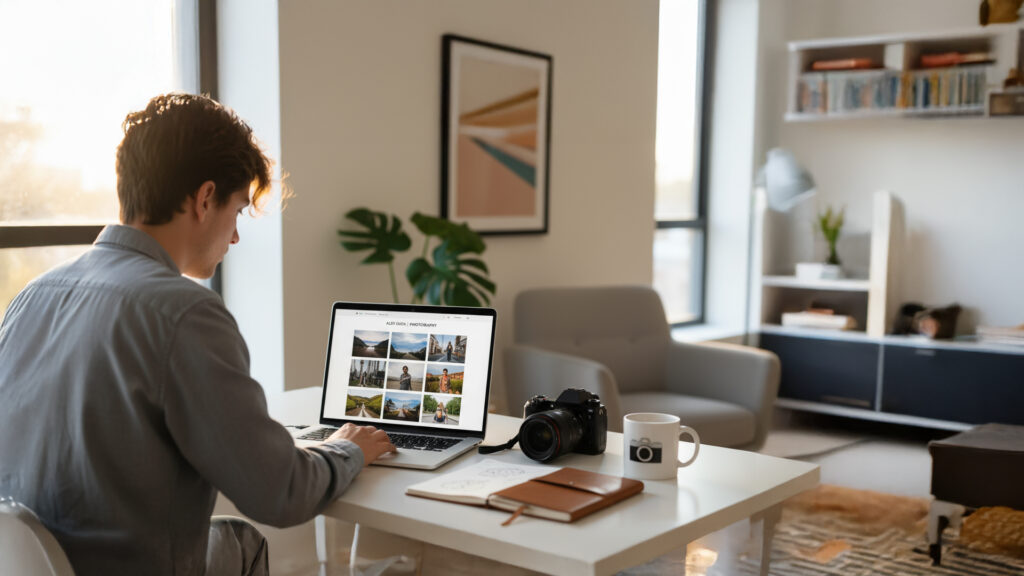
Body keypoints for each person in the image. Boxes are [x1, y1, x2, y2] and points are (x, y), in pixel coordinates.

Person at [0, 93, 395, 576]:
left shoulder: (31, 296)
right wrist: (347, 447)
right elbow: (281, 493)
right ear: (205, 198)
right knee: (242, 539)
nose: (234, 237)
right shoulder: (184, 312)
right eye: (238, 211)